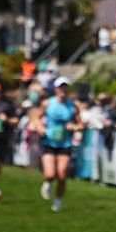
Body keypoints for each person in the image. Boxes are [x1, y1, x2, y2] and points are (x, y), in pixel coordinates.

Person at [38, 76, 83, 212]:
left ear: (68, 89)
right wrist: (40, 127)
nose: (63, 89)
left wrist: (74, 127)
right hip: (49, 142)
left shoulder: (73, 106)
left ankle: (57, 201)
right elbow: (37, 117)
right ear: (56, 89)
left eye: (65, 87)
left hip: (65, 144)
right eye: (60, 87)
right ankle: (48, 182)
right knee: (50, 174)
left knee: (62, 176)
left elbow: (81, 125)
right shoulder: (47, 103)